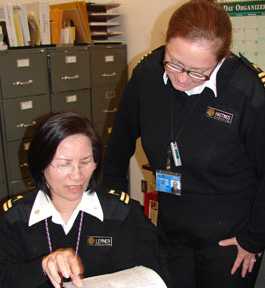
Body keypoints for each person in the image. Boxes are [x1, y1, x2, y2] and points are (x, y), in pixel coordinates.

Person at [102, 0, 265, 287]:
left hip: (230, 239)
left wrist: (253, 239)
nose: (180, 77)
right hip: (171, 230)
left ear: (221, 59)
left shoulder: (247, 92)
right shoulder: (148, 75)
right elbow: (118, 146)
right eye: (174, 62)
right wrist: (116, 211)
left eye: (196, 72)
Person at [0, 112, 168, 288]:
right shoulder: (14, 218)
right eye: (64, 164)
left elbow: (155, 272)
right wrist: (42, 267)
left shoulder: (122, 213)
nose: (77, 175)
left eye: (86, 161)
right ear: (41, 164)